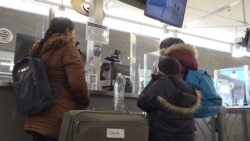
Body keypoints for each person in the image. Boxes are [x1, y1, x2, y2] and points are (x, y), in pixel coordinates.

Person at [26, 17, 90, 141]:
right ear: (68, 31)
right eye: (73, 32)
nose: (73, 36)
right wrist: (85, 101)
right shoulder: (68, 48)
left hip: (35, 114)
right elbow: (78, 83)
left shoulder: (39, 50)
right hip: (57, 116)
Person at [137, 56, 201, 141]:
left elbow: (142, 103)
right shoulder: (189, 87)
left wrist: (154, 78)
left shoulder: (161, 83)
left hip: (161, 137)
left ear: (159, 69)